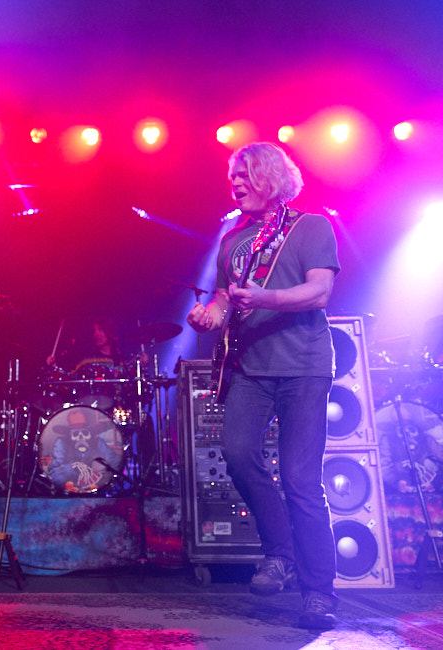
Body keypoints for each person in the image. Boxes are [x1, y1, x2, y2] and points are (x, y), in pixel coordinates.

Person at [186, 142, 341, 630]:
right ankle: (281, 554)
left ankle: (319, 592)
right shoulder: (232, 239)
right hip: (250, 369)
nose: (235, 182)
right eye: (233, 175)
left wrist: (266, 297)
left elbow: (319, 290)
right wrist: (207, 316)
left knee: (300, 481)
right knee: (236, 455)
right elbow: (222, 299)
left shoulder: (311, 227)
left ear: (272, 177)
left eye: (245, 174)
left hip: (304, 368)